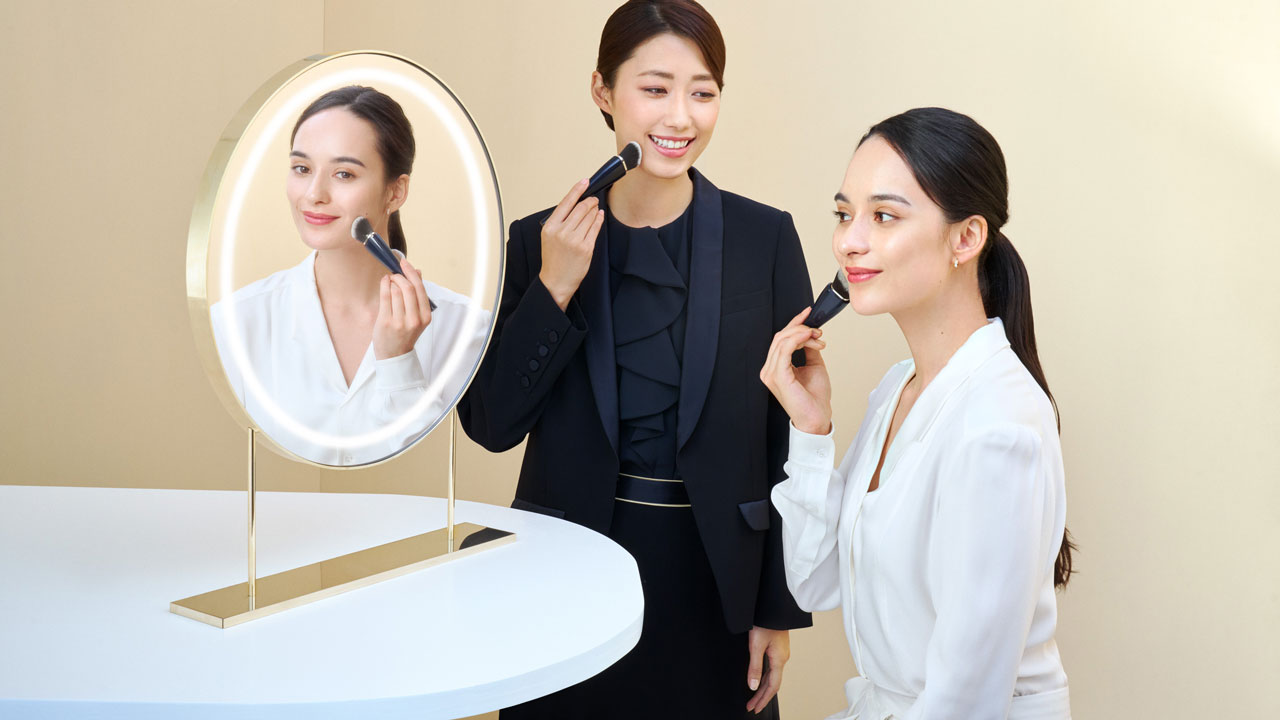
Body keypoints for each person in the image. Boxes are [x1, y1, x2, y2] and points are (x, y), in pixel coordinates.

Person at [459, 1, 813, 716]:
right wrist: (554, 287)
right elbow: (492, 424)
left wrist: (779, 605)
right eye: (654, 89)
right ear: (602, 91)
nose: (680, 116)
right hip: (565, 576)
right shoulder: (535, 243)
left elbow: (790, 439)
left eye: (702, 91)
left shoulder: (765, 239)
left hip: (717, 583)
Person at [762, 107, 1074, 720]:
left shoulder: (998, 428)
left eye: (883, 216)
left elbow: (966, 699)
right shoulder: (898, 390)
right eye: (844, 214)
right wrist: (811, 431)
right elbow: (816, 581)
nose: (850, 240)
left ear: (966, 238)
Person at [211, 86, 489, 466]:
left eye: (343, 173)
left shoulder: (464, 330)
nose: (314, 194)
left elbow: (430, 481)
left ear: (395, 192)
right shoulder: (237, 323)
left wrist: (398, 361)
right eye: (302, 169)